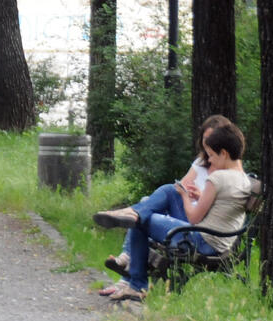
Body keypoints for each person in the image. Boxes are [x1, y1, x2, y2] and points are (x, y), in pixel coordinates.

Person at [93, 122, 251, 301]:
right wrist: (199, 196)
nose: (211, 161)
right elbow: (222, 208)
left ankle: (137, 286)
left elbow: (193, 217)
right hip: (216, 240)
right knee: (168, 191)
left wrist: (185, 196)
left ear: (224, 153)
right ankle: (133, 213)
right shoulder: (243, 179)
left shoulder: (218, 177)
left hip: (202, 241)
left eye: (212, 156)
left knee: (140, 221)